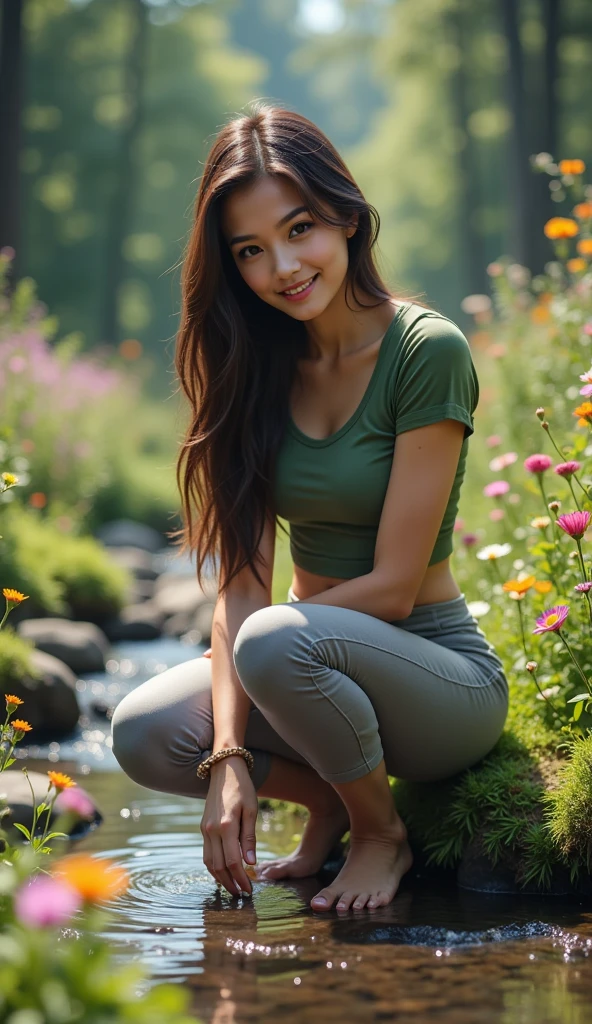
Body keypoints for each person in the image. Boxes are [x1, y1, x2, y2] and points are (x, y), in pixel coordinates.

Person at [111, 102, 509, 915]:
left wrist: (273, 643)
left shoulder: (425, 350)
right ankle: (328, 800)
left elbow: (396, 588)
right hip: (298, 664)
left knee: (269, 639)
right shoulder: (254, 369)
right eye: (250, 251)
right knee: (146, 731)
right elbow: (244, 588)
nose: (282, 267)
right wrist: (226, 755)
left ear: (347, 217)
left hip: (438, 680)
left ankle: (380, 833)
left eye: (300, 230)